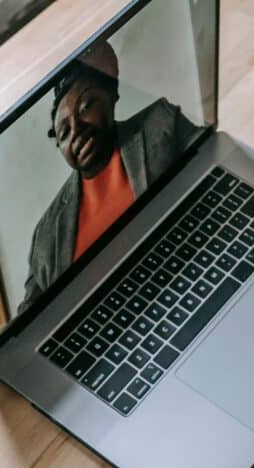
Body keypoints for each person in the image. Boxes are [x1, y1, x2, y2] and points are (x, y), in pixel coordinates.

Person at [17, 40, 202, 313]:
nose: (77, 129)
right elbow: (29, 315)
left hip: (187, 273)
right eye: (64, 133)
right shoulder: (45, 234)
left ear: (111, 94)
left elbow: (214, 163)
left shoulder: (160, 125)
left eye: (86, 106)